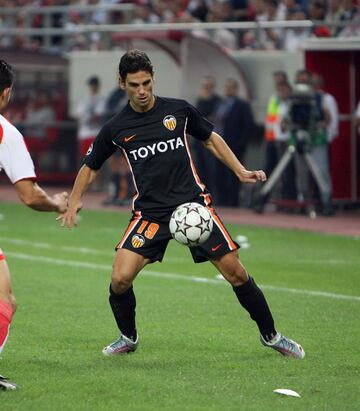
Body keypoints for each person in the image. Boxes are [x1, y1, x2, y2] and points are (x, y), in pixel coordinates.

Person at [58, 50, 305, 360]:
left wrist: (240, 170)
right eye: (134, 85)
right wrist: (74, 200)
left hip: (194, 209)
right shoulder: (116, 127)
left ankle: (272, 336)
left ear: (153, 78)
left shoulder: (178, 110)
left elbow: (211, 138)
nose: (143, 91)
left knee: (237, 274)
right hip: (151, 214)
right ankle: (128, 336)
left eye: (146, 82)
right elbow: (90, 165)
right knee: (120, 279)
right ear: (122, 83)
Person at [0, 59, 68, 390]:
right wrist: (55, 202)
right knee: (5, 300)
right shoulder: (5, 132)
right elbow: (29, 195)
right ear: (6, 94)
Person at [213, 77, 255, 206]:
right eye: (226, 87)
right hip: (220, 144)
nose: (228, 89)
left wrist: (240, 143)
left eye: (230, 87)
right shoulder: (221, 104)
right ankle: (221, 200)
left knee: (233, 173)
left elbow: (248, 125)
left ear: (236, 89)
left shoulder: (241, 105)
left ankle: (233, 201)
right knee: (219, 172)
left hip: (234, 145)